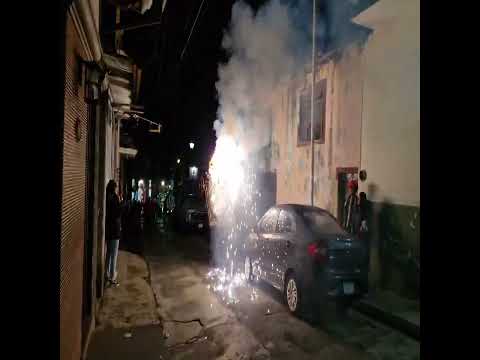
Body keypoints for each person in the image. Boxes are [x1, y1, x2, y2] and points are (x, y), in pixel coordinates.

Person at [105, 179, 122, 287]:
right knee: (114, 255)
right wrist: (120, 202)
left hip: (108, 230)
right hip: (115, 230)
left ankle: (107, 275)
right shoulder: (115, 198)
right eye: (116, 187)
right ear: (114, 188)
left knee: (108, 254)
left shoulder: (107, 197)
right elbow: (118, 213)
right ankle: (112, 277)